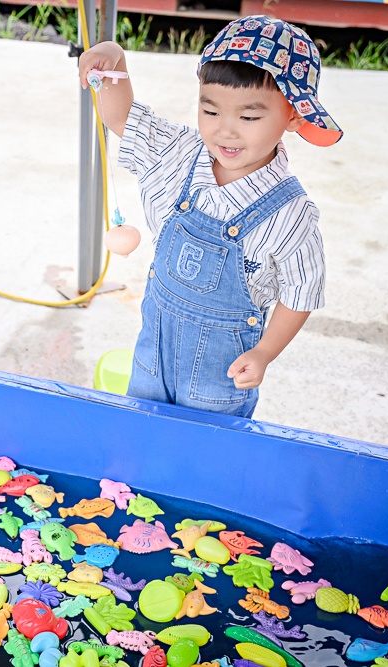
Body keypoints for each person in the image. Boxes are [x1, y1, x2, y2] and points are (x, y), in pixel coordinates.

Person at [78, 15, 342, 418]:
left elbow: (300, 291)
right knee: (141, 433)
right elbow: (121, 117)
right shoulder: (180, 154)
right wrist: (112, 58)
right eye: (211, 111)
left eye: (249, 117)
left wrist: (265, 352)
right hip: (151, 359)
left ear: (293, 116)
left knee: (205, 455)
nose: (226, 132)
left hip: (219, 380)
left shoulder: (290, 213)